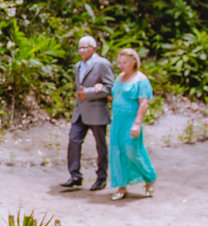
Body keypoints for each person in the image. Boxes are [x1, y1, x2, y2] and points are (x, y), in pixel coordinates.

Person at [60, 35, 113, 191]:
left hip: (97, 111)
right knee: (73, 141)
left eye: (85, 47)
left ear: (94, 48)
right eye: (80, 48)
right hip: (80, 111)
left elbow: (111, 87)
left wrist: (89, 93)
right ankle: (75, 175)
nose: (82, 51)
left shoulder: (102, 64)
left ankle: (101, 177)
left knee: (100, 146)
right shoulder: (78, 66)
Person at [108, 48, 157, 200]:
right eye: (120, 62)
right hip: (117, 122)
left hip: (131, 121)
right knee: (117, 152)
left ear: (133, 62)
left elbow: (143, 103)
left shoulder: (140, 79)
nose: (121, 66)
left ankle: (149, 178)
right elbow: (115, 96)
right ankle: (121, 186)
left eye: (125, 63)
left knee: (132, 151)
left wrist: (137, 124)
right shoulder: (119, 77)